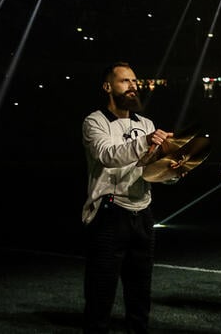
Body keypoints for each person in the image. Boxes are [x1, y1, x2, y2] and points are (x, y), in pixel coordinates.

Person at [81, 62, 177, 333]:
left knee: (139, 296)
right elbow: (109, 156)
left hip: (142, 214)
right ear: (107, 87)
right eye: (125, 81)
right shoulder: (95, 121)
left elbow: (149, 170)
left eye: (135, 81)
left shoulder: (145, 123)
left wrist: (174, 169)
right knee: (100, 297)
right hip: (109, 214)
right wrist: (146, 142)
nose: (133, 86)